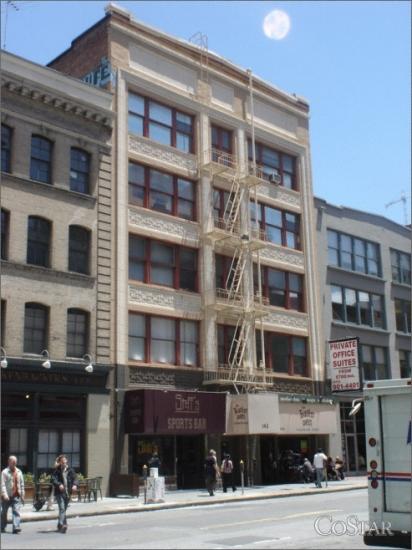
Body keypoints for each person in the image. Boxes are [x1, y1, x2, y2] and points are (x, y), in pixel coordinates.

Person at [51, 455, 78, 533]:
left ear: (66, 461)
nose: (63, 462)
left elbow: (75, 478)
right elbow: (53, 479)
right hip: (59, 492)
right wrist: (59, 484)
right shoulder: (57, 471)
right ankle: (61, 524)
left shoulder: (70, 470)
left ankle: (62, 525)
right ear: (60, 462)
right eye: (62, 461)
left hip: (67, 492)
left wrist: (75, 485)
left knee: (63, 510)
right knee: (62, 508)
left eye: (64, 461)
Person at [1, 456, 25, 534]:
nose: (14, 463)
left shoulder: (19, 472)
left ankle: (16, 527)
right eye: (13, 462)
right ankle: (2, 526)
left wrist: (22, 495)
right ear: (9, 462)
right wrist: (5, 495)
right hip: (7, 496)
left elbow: (22, 484)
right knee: (3, 512)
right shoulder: (4, 472)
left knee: (16, 511)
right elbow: (2, 485)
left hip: (16, 495)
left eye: (15, 462)